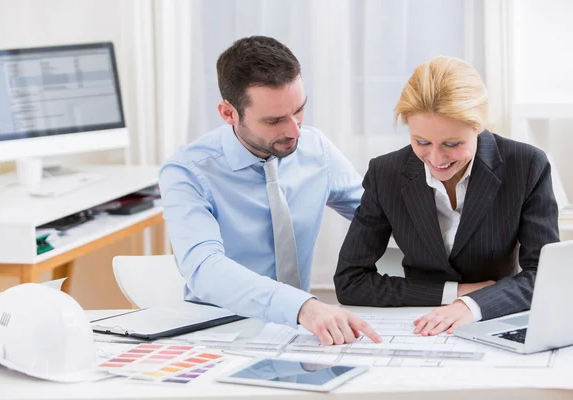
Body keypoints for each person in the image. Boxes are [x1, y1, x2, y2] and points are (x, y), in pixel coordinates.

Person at [159, 36, 381, 345]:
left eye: (299, 111)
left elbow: (380, 217)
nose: (294, 131)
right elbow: (204, 267)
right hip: (220, 330)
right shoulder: (187, 171)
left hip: (302, 330)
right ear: (228, 113)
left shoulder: (316, 150)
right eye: (274, 120)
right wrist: (302, 307)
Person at [334, 56, 560, 336]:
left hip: (495, 319)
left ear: (479, 126)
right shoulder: (386, 173)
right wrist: (455, 293)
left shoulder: (526, 165)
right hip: (417, 325)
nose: (436, 158)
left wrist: (471, 305)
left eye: (452, 144)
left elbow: (543, 276)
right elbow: (350, 282)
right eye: (421, 142)